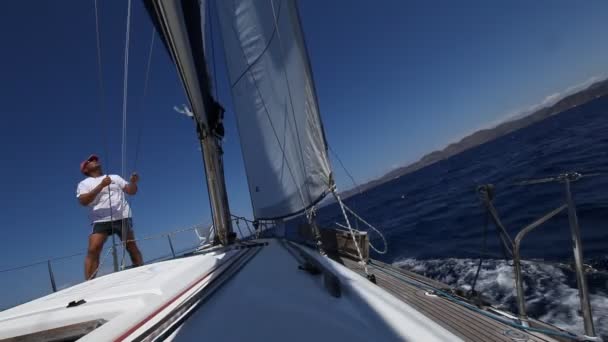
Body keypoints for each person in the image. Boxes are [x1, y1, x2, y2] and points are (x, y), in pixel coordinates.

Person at [76, 154, 144, 279]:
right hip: (100, 220)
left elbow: (131, 191)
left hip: (122, 216)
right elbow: (83, 201)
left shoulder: (115, 177)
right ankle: (89, 284)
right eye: (90, 160)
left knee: (131, 246)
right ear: (85, 169)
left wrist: (133, 183)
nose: (95, 160)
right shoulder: (84, 184)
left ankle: (141, 271)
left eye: (96, 159)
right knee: (93, 249)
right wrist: (101, 185)